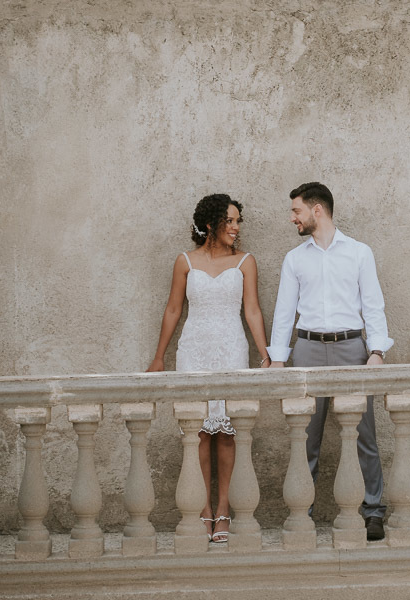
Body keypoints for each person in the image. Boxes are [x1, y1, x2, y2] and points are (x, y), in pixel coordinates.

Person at [268, 182, 393, 541]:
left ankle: (372, 511)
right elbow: (283, 313)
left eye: (296, 210)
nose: (292, 218)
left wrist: (377, 351)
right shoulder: (295, 259)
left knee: (364, 434)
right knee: (306, 437)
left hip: (351, 349)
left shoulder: (359, 253)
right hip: (307, 349)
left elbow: (373, 305)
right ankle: (301, 514)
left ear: (316, 210)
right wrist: (279, 359)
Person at [147, 194, 271, 543]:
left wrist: (266, 357)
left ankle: (224, 509)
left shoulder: (246, 262)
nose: (236, 228)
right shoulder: (185, 261)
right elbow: (173, 310)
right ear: (212, 224)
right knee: (199, 432)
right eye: (230, 221)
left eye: (238, 222)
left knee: (228, 433)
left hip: (231, 349)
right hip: (194, 351)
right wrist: (160, 357)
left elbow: (253, 312)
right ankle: (202, 510)